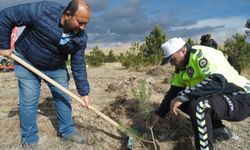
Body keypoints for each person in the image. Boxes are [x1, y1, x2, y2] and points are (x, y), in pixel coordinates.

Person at [0, 0, 91, 148]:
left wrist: (84, 92)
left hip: (56, 66)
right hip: (27, 61)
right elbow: (6, 16)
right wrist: (3, 46)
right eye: (80, 22)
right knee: (29, 99)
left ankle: (68, 132)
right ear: (67, 15)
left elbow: (78, 64)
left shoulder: (81, 38)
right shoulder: (43, 10)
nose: (83, 27)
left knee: (63, 97)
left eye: (86, 23)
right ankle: (29, 140)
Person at [147, 37, 250, 150]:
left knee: (198, 105)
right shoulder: (181, 67)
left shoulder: (201, 54)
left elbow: (217, 82)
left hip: (241, 96)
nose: (171, 64)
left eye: (172, 59)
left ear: (182, 51)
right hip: (223, 96)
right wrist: (159, 114)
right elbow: (174, 91)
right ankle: (218, 130)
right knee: (179, 99)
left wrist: (183, 96)